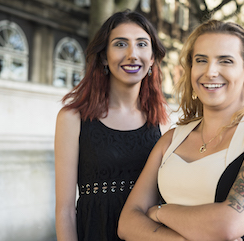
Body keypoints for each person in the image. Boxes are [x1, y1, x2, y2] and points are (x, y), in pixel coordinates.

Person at [118, 19, 244, 241]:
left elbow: (228, 225)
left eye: (225, 61)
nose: (210, 72)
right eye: (201, 60)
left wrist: (157, 212)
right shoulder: (172, 138)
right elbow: (126, 223)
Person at [54, 10, 169, 241]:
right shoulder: (73, 118)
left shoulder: (162, 120)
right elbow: (64, 211)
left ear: (153, 57)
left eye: (141, 44)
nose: (132, 54)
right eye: (120, 44)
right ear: (104, 57)